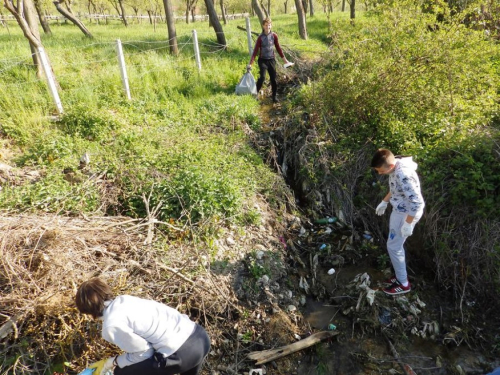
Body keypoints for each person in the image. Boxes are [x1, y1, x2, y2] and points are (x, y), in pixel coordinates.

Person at [75, 278, 210, 375]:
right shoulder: (125, 299)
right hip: (200, 338)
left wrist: (113, 362)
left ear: (88, 311)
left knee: (122, 372)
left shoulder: (111, 324)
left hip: (181, 354)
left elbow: (144, 353)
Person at [371, 149, 425, 296]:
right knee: (393, 245)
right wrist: (384, 201)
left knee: (394, 247)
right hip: (399, 210)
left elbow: (417, 202)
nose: (380, 174)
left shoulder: (404, 175)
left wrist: (408, 223)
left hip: (406, 214)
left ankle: (403, 283)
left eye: (381, 171)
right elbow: (396, 189)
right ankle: (400, 277)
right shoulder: (396, 166)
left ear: (390, 166)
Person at [247, 17, 290, 103]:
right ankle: (255, 93)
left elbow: (278, 48)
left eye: (269, 25)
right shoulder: (260, 37)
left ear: (271, 25)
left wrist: (285, 60)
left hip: (271, 60)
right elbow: (255, 51)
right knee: (262, 78)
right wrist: (250, 64)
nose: (268, 27)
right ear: (263, 26)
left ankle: (274, 97)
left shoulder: (274, 36)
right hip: (262, 60)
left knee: (273, 79)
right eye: (266, 25)